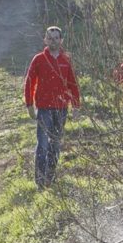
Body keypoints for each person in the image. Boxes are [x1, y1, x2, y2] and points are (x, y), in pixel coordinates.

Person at [24, 26, 81, 188]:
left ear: (61, 40)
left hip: (61, 108)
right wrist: (29, 105)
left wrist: (76, 106)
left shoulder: (66, 60)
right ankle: (40, 182)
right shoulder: (39, 59)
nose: (53, 41)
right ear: (45, 40)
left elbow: (73, 83)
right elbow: (29, 82)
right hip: (44, 108)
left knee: (55, 144)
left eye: (56, 38)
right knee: (42, 144)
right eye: (50, 38)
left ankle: (50, 177)